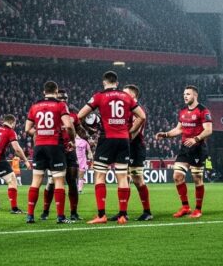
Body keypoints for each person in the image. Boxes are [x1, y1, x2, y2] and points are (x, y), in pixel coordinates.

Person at [78, 71, 145, 224]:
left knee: (100, 175)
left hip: (106, 139)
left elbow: (80, 115)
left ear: (104, 82)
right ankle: (122, 215)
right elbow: (142, 116)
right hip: (123, 140)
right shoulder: (127, 97)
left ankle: (101, 215)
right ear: (117, 82)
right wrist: (130, 131)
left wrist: (87, 130)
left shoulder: (99, 96)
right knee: (122, 176)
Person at [155, 85, 213, 219]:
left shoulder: (203, 111)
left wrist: (196, 139)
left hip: (198, 148)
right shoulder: (182, 112)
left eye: (188, 94)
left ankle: (198, 209)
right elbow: (178, 129)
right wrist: (164, 134)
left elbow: (209, 130)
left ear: (195, 95)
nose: (185, 96)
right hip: (184, 149)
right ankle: (185, 207)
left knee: (197, 178)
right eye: (184, 94)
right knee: (177, 176)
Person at [24, 81, 76, 224]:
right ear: (56, 91)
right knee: (59, 180)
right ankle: (60, 216)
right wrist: (72, 140)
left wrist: (39, 133)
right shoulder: (60, 105)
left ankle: (30, 215)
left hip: (39, 146)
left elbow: (27, 128)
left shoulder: (34, 106)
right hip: (55, 146)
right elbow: (68, 126)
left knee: (36, 181)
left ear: (44, 92)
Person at [41, 90, 87, 221]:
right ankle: (45, 211)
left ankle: (74, 213)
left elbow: (79, 129)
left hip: (70, 151)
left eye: (65, 98)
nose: (64, 100)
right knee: (51, 182)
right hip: (55, 150)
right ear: (55, 96)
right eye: (61, 97)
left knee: (72, 181)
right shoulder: (49, 113)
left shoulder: (72, 115)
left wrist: (88, 137)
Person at [122, 84, 153, 221]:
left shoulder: (137, 110)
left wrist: (123, 141)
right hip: (126, 146)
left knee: (137, 179)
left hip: (135, 147)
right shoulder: (126, 109)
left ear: (133, 95)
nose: (122, 96)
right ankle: (123, 212)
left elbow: (135, 132)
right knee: (124, 179)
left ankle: (147, 211)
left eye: (125, 94)